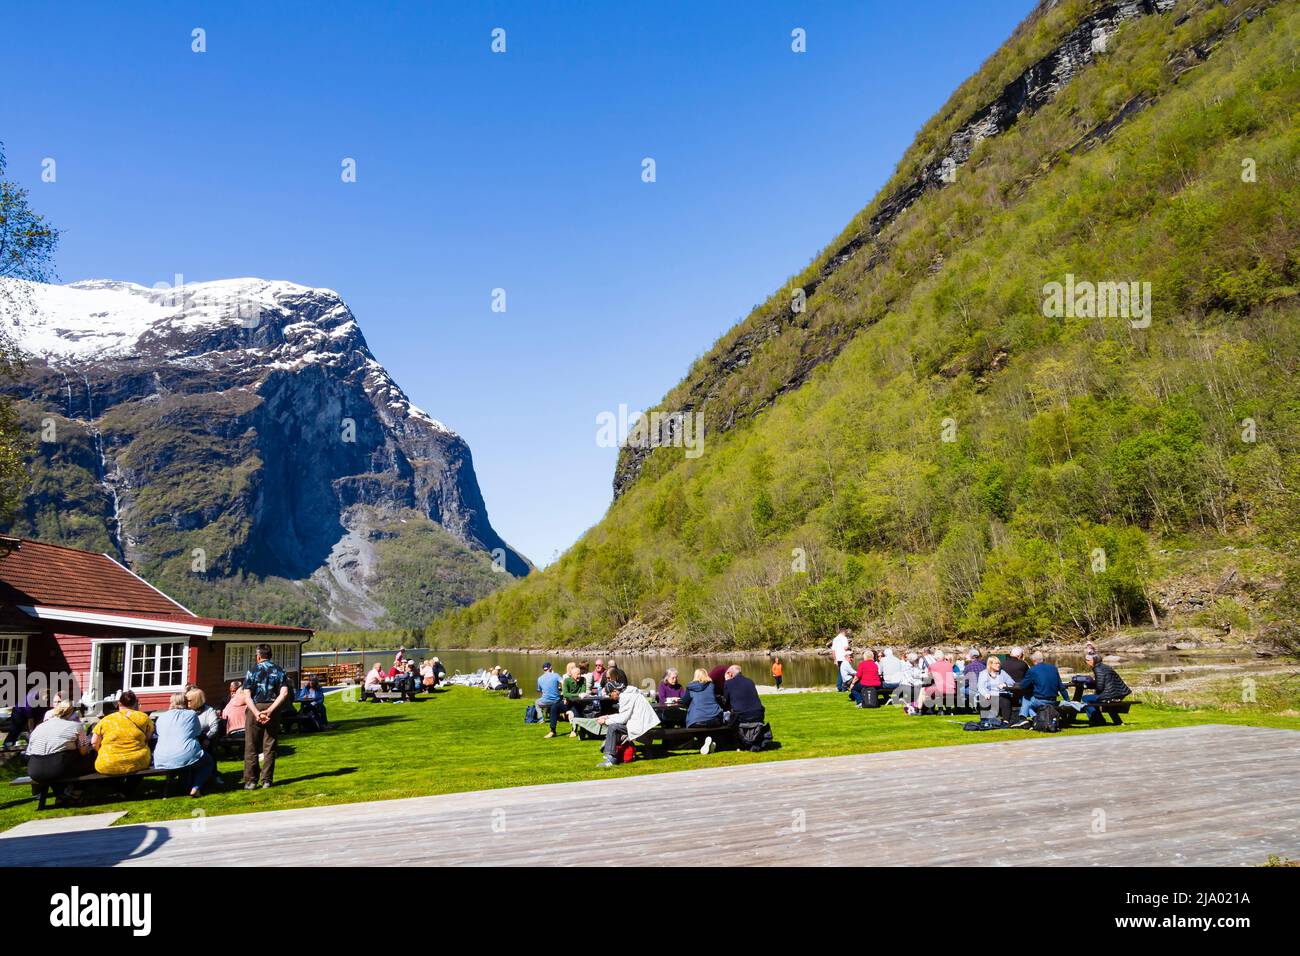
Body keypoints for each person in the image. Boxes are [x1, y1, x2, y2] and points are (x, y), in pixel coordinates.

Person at [242, 643, 289, 789]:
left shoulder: (252, 670)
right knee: (270, 745)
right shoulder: (279, 670)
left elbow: (246, 695)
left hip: (254, 707)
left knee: (251, 745)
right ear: (270, 655)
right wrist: (270, 710)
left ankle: (250, 781)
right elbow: (284, 693)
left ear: (258, 656)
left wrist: (256, 712)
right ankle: (267, 780)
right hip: (272, 708)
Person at [25, 700, 95, 797]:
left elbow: (28, 752)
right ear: (72, 713)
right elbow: (83, 751)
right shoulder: (78, 727)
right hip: (58, 768)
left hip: (34, 770)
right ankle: (78, 791)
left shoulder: (38, 727)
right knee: (91, 761)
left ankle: (61, 793)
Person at [154, 692, 215, 797]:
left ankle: (184, 786)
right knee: (208, 762)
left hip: (161, 757)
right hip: (185, 753)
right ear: (185, 702)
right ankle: (196, 787)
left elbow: (159, 733)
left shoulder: (161, 717)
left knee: (186, 760)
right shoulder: (191, 714)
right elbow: (197, 732)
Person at [91, 690, 154, 780]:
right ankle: (126, 791)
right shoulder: (143, 717)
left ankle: (119, 790)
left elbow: (94, 742)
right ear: (135, 703)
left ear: (119, 703)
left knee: (112, 771)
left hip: (107, 763)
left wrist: (101, 751)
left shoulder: (106, 719)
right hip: (138, 761)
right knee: (137, 768)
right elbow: (148, 738)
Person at [595, 684, 661, 768]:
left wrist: (605, 721)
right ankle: (612, 752)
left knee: (613, 727)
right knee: (615, 726)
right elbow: (623, 715)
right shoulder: (630, 693)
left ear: (615, 691)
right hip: (645, 724)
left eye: (610, 694)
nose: (610, 697)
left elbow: (623, 719)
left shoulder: (625, 697)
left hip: (640, 727)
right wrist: (607, 717)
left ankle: (611, 759)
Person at [1013, 650, 1071, 726]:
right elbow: (1061, 687)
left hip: (1041, 701)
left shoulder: (1032, 670)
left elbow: (1023, 686)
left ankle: (1023, 718)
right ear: (1043, 659)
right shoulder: (1053, 668)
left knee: (1026, 698)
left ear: (1034, 661)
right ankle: (1035, 718)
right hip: (1053, 700)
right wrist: (1068, 700)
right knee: (1029, 704)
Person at [1082, 651, 1132, 726]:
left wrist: (1089, 685)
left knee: (1085, 698)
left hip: (1109, 695)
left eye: (1088, 660)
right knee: (1096, 700)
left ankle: (1096, 719)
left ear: (1094, 660)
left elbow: (1099, 687)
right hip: (1118, 693)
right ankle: (1112, 721)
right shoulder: (1104, 666)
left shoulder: (1097, 669)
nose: (1086, 662)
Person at [976, 655, 1016, 722]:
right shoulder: (983, 673)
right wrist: (985, 693)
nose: (998, 665)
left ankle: (1006, 721)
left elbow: (1012, 682)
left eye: (999, 663)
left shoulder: (1002, 673)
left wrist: (1005, 684)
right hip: (989, 695)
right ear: (990, 664)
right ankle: (984, 721)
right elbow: (980, 687)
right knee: (983, 699)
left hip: (1000, 694)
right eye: (996, 663)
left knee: (1005, 701)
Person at [535, 662, 565, 739]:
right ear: (550, 668)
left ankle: (541, 719)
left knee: (537, 702)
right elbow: (563, 682)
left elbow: (539, 690)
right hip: (556, 700)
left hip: (545, 701)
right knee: (555, 702)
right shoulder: (556, 675)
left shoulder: (539, 678)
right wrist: (562, 691)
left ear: (543, 669)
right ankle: (556, 717)